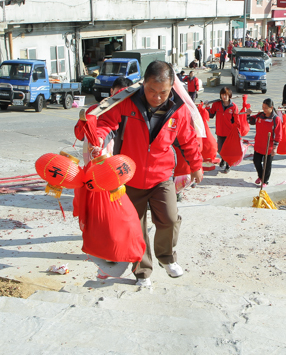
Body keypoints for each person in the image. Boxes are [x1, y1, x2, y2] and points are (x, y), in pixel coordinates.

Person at [95, 61, 203, 288]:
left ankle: (167, 258)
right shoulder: (126, 103)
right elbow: (105, 122)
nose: (157, 97)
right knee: (135, 227)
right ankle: (142, 272)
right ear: (143, 84)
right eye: (151, 91)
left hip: (161, 175)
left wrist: (196, 165)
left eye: (163, 92)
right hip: (129, 176)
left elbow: (189, 140)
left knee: (170, 218)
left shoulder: (178, 109)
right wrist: (98, 139)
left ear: (171, 87)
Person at [247, 99, 282, 187]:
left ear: (271, 108)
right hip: (259, 144)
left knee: (267, 165)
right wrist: (248, 114)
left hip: (268, 147)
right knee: (256, 162)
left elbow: (278, 134)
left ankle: (265, 181)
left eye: (266, 108)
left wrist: (275, 147)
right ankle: (260, 176)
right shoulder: (260, 115)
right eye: (263, 107)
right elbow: (251, 121)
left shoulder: (275, 119)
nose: (264, 109)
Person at [207, 87, 239, 174]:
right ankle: (223, 159)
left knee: (228, 150)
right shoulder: (216, 104)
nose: (224, 96)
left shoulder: (234, 107)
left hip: (229, 133)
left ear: (229, 95)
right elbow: (210, 115)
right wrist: (207, 107)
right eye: (222, 95)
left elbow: (236, 120)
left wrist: (237, 132)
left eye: (226, 95)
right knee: (220, 150)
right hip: (220, 131)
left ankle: (228, 165)